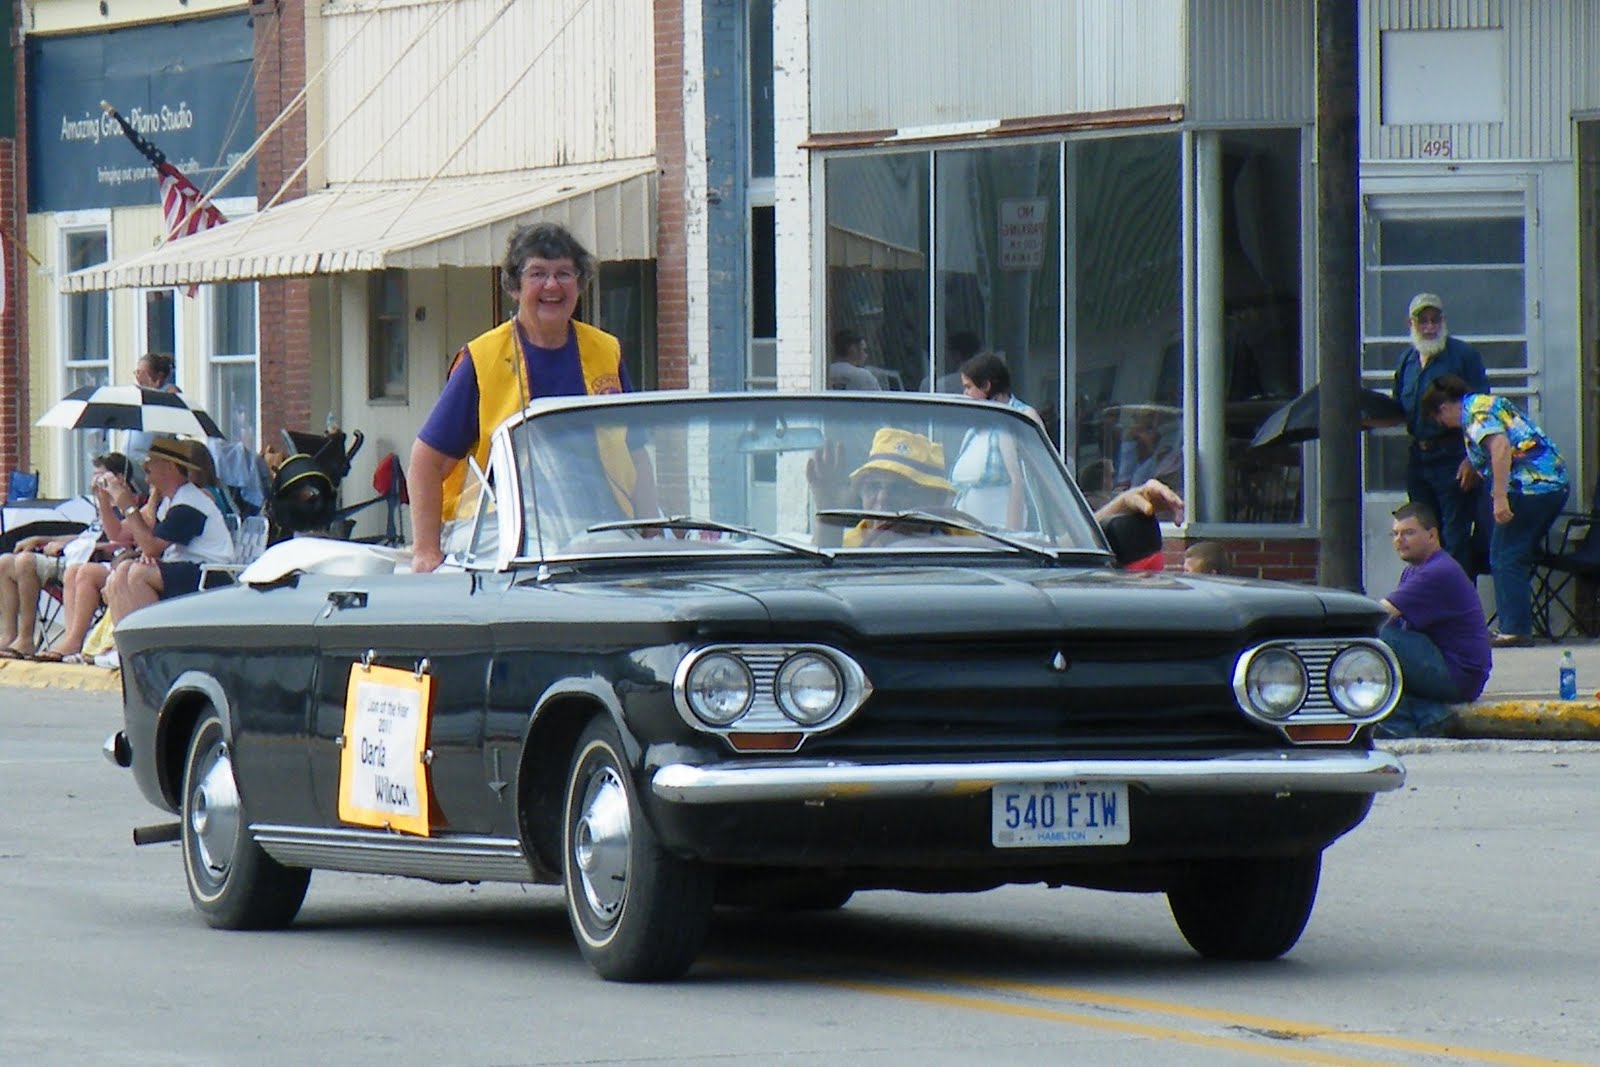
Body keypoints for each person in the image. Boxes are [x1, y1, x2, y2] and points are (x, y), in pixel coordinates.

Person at [409, 223, 659, 573]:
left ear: (580, 284)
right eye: (537, 274)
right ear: (514, 287)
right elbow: (426, 462)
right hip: (502, 528)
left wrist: (652, 532)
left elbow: (636, 452)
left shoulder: (606, 351)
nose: (552, 286)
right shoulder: (482, 359)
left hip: (600, 525)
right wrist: (425, 550)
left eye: (564, 274)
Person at [1422, 374, 1569, 648]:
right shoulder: (1484, 404)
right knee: (1512, 553)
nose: (1443, 426)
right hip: (1551, 483)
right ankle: (1516, 625)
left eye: (1439, 419)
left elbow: (1500, 446)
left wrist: (1499, 498)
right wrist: (1471, 461)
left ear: (1443, 409)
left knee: (1505, 555)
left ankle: (1515, 630)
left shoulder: (1475, 414)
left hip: (1530, 487)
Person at [1376, 502, 1492, 738]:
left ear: (1432, 535)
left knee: (1378, 640)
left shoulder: (1438, 571)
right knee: (1380, 656)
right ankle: (1432, 717)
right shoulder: (1414, 570)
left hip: (1459, 673)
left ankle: (1400, 727)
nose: (1400, 540)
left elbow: (1381, 616)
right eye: (1395, 534)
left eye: (1409, 533)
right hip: (1444, 664)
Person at [0, 452, 131, 658]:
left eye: (101, 477)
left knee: (26, 561)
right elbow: (86, 534)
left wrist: (80, 546)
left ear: (120, 478)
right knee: (5, 562)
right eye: (94, 476)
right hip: (73, 557)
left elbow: (117, 542)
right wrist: (41, 539)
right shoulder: (102, 507)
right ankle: (9, 636)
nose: (95, 482)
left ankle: (26, 639)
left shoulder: (126, 507)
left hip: (89, 561)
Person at [1392, 293, 1489, 572]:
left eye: (1435, 320)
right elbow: (1398, 407)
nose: (1430, 327)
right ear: (1411, 324)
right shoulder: (1407, 362)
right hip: (1419, 458)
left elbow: (1481, 411)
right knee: (1420, 535)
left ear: (1443, 321)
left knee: (1455, 537)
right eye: (1423, 321)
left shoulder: (1463, 356)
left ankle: (1457, 610)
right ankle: (1429, 604)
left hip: (1454, 456)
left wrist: (1473, 459)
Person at [950, 352, 1044, 529]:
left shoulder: (1022, 417)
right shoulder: (974, 429)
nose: (965, 394)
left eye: (969, 387)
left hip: (1001, 538)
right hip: (966, 536)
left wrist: (1012, 537)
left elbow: (1026, 480)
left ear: (986, 385)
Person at [920, 330, 982, 394]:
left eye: (947, 351)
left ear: (956, 355)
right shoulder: (983, 383)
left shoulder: (934, 384)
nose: (945, 356)